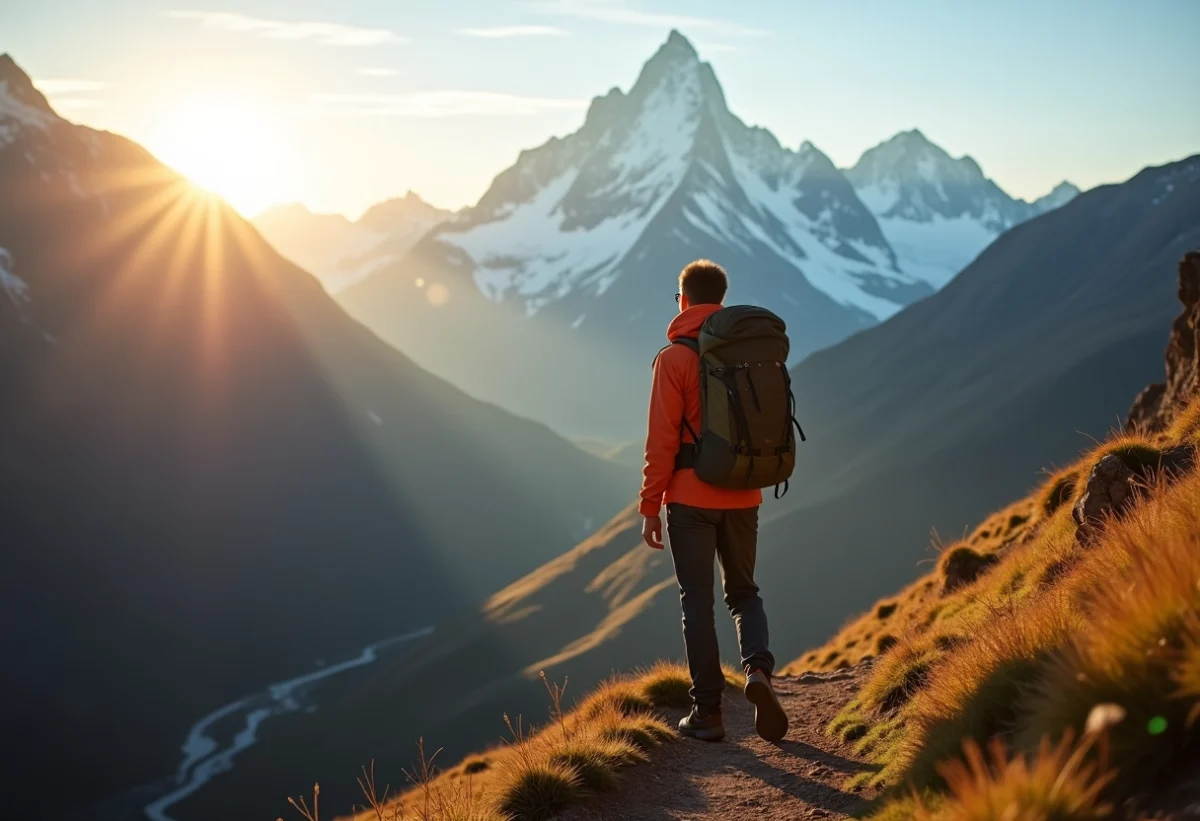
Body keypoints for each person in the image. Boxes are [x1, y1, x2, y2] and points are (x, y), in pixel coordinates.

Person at [639, 259, 789, 743]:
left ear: (682, 299)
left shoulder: (675, 357)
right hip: (745, 491)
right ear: (721, 301)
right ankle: (759, 671)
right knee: (745, 592)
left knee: (697, 601)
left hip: (689, 499)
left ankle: (707, 713)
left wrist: (649, 506)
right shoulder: (744, 352)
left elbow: (661, 440)